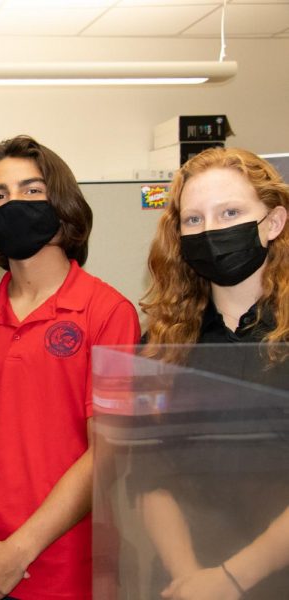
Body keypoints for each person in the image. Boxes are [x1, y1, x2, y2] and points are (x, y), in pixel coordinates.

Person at [0, 135, 140, 600]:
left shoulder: (108, 313)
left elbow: (107, 451)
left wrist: (17, 552)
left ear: (63, 203)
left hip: (64, 570)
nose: (14, 203)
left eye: (32, 190)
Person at [138, 147, 289, 600]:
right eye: (194, 220)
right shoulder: (162, 344)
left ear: (273, 223)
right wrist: (191, 577)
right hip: (184, 580)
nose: (212, 230)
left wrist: (230, 578)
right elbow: (147, 472)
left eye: (230, 212)